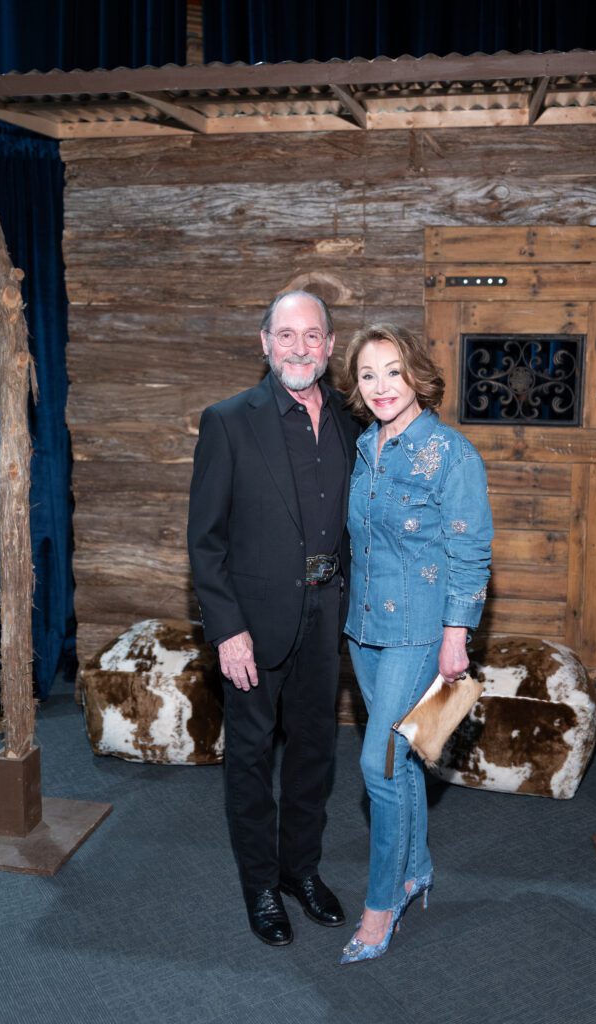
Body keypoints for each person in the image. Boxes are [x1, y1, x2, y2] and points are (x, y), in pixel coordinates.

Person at [187, 290, 360, 946]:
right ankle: (260, 884)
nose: (299, 347)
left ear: (330, 345)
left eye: (312, 335)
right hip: (253, 625)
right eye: (285, 335)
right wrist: (226, 630)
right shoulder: (228, 422)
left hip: (326, 615)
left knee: (315, 753)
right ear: (264, 343)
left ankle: (300, 871)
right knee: (252, 759)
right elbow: (205, 541)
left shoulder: (351, 420)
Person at [338, 322, 493, 964]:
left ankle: (381, 904)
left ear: (417, 376)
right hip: (363, 631)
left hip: (419, 634)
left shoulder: (452, 454)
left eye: (393, 372)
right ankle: (417, 868)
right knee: (400, 761)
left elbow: (470, 552)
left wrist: (457, 636)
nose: (381, 386)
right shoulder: (364, 447)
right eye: (368, 374)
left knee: (377, 765)